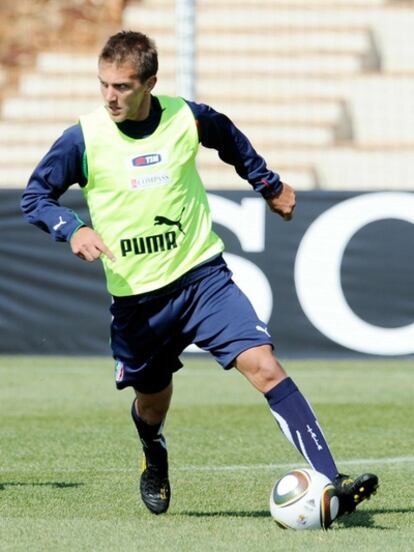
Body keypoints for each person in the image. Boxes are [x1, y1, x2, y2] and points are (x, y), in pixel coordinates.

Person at [21, 31, 378, 517]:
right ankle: (155, 456)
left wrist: (267, 183)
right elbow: (35, 197)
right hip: (138, 300)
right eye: (104, 84)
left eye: (123, 86)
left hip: (201, 278)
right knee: (152, 403)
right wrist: (73, 229)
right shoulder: (83, 138)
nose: (110, 96)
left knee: (264, 365)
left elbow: (227, 135)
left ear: (150, 83)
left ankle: (334, 483)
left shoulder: (186, 118)